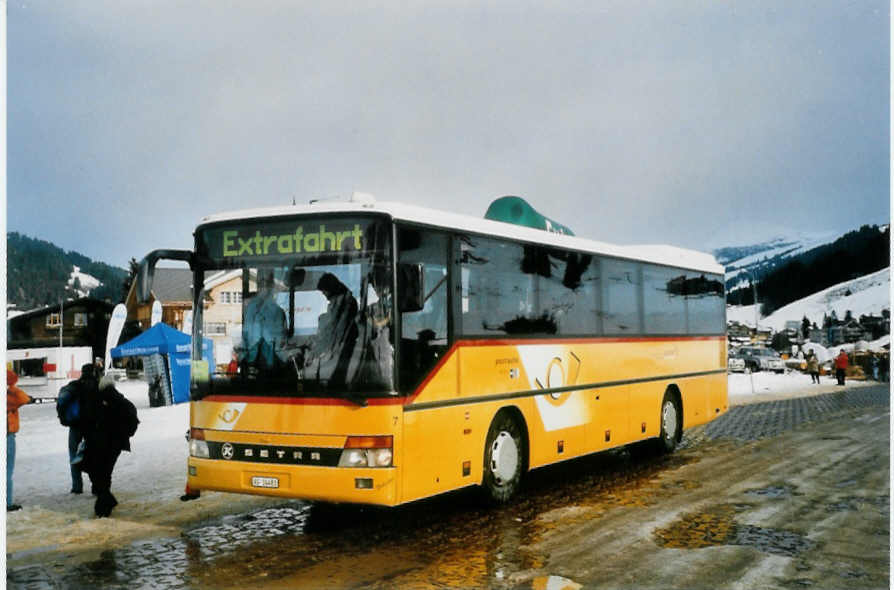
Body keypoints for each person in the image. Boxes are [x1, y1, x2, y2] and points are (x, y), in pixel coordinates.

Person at [81, 375, 139, 517]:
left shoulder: (97, 400)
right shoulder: (122, 400)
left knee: (98, 472)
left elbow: (87, 421)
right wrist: (124, 435)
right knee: (106, 471)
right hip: (117, 443)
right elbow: (133, 421)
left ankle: (104, 505)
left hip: (99, 442)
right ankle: (106, 500)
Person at [302, 273, 359, 386]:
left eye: (324, 291)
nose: (323, 294)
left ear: (330, 288)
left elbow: (332, 331)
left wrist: (315, 352)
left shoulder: (342, 304)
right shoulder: (343, 301)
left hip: (335, 354)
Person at [57, 364, 101, 494]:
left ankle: (77, 486)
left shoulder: (74, 385)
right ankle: (96, 486)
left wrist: (63, 417)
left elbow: (62, 399)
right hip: (93, 426)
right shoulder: (98, 386)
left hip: (76, 425)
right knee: (95, 455)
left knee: (73, 454)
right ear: (94, 372)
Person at [241, 270, 288, 371]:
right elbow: (245, 334)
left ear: (271, 286)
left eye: (266, 283)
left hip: (272, 363)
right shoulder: (250, 308)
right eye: (261, 283)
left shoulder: (278, 311)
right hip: (252, 362)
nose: (263, 287)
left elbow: (281, 339)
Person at [7, 369, 33, 511]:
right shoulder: (10, 394)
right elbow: (25, 399)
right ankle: (7, 503)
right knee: (7, 471)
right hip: (7, 435)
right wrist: (10, 386)